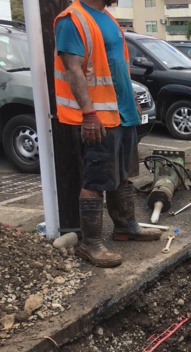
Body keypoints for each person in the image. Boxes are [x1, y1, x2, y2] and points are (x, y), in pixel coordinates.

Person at [54, 0, 161, 268]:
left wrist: (132, 99)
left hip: (121, 111)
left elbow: (117, 64)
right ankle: (90, 244)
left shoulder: (107, 18)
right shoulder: (72, 19)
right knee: (96, 180)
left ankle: (125, 226)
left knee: (122, 174)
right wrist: (89, 113)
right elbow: (73, 69)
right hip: (99, 116)